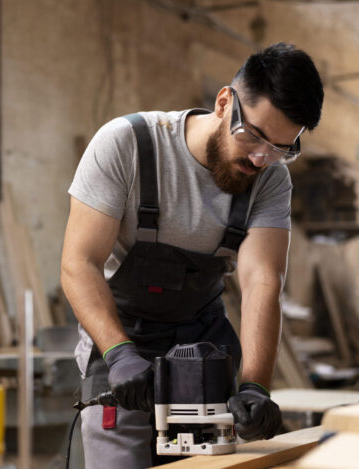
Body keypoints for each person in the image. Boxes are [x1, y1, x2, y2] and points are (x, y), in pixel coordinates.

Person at [61, 42, 324, 468]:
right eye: (254, 136)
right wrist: (118, 353)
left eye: (281, 149)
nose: (261, 158)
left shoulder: (270, 179)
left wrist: (256, 386)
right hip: (122, 344)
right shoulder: (127, 145)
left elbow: (262, 281)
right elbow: (79, 264)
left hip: (203, 350)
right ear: (225, 102)